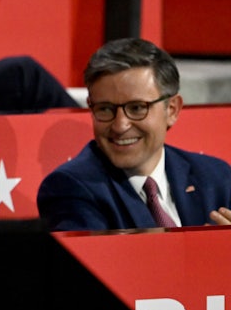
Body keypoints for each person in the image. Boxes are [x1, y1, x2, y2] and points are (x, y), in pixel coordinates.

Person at [37, 37, 231, 231]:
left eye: (137, 108)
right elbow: (95, 262)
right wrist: (207, 250)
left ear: (171, 110)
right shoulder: (70, 189)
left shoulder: (216, 177)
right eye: (105, 109)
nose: (120, 125)